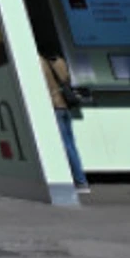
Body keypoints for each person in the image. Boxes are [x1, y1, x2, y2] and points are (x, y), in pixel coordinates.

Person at [40, 51, 88, 192]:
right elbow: (67, 79)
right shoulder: (60, 61)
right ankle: (80, 179)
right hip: (65, 105)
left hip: (54, 106)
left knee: (65, 145)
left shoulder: (38, 62)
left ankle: (79, 181)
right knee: (70, 144)